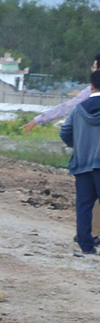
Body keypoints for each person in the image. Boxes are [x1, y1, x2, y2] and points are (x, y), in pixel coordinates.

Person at [59, 68, 100, 256]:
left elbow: (65, 131)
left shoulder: (79, 109)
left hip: (82, 164)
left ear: (92, 86)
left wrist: (78, 145)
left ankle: (86, 246)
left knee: (84, 205)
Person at [22, 53, 100, 134]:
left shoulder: (92, 90)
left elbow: (67, 108)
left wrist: (38, 120)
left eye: (94, 68)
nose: (93, 71)